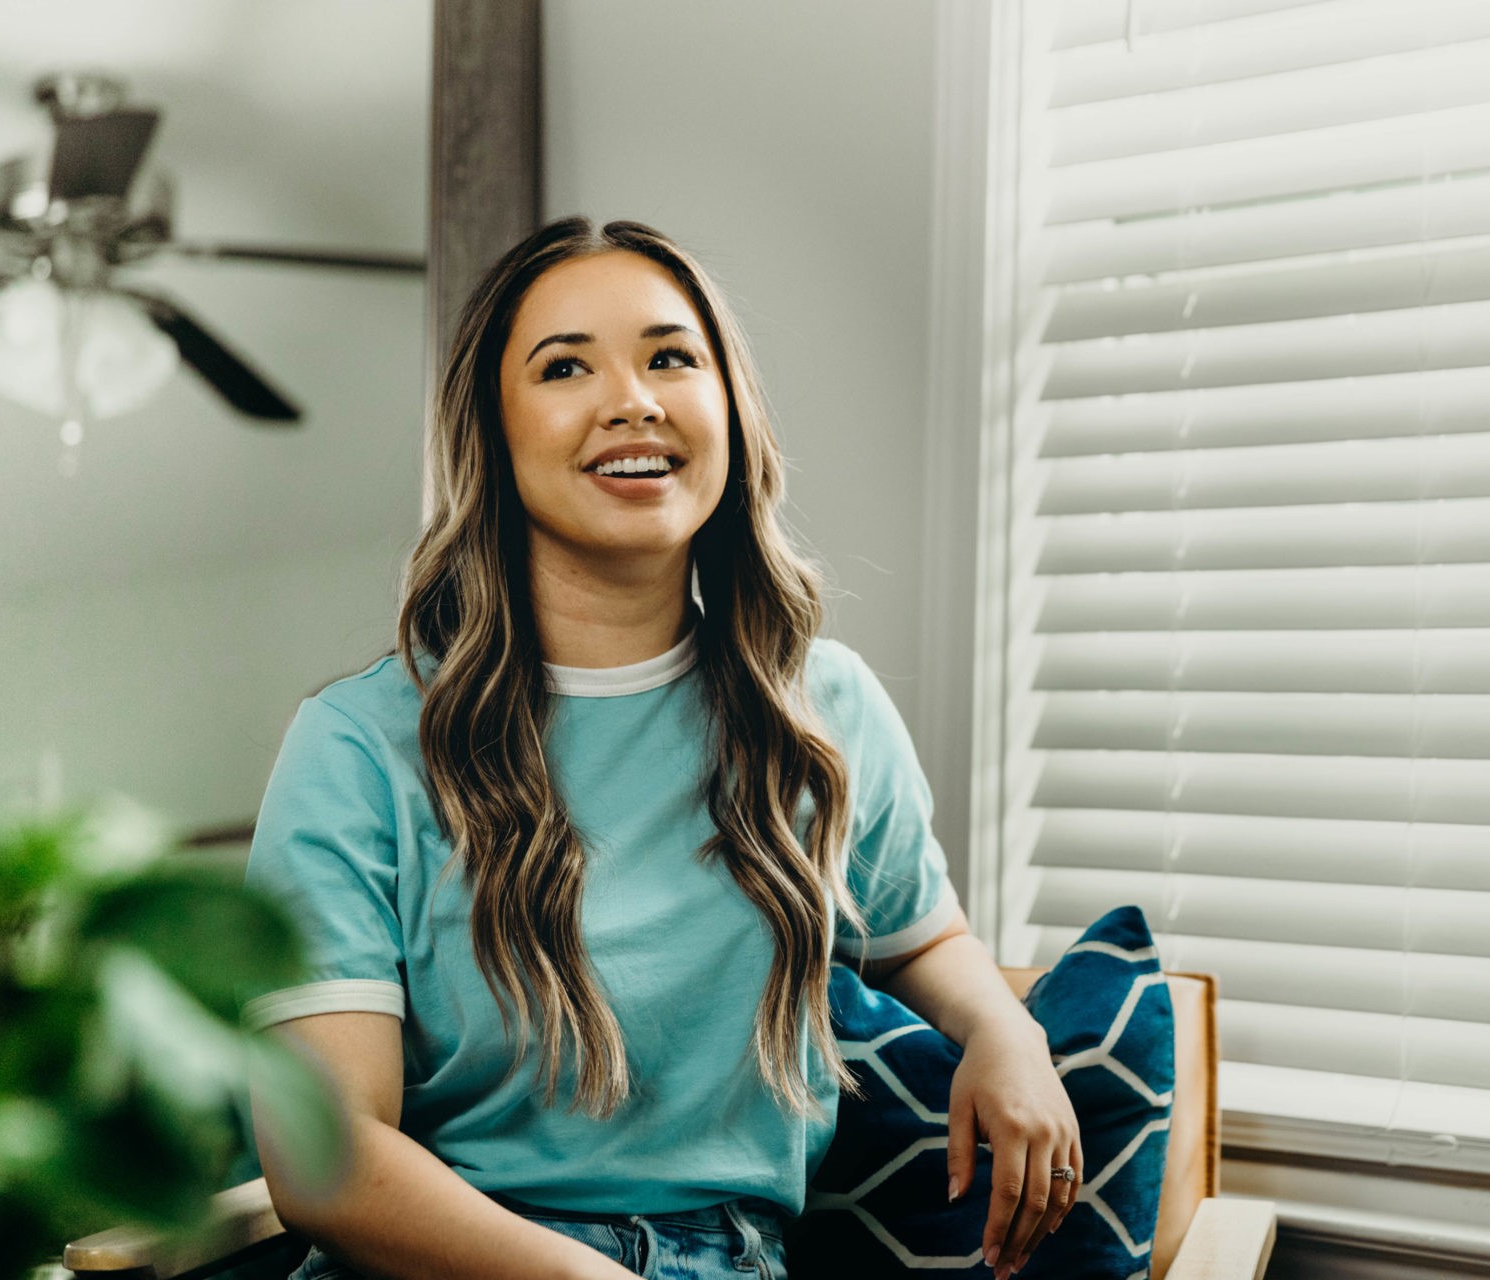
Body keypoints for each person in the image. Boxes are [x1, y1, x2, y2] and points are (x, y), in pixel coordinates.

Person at [243, 216, 1080, 1280]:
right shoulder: (357, 748)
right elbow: (325, 1160)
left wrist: (1008, 1034)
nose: (632, 398)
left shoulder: (822, 708)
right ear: (493, 435)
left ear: (729, 410)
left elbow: (919, 937)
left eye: (671, 356)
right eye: (564, 367)